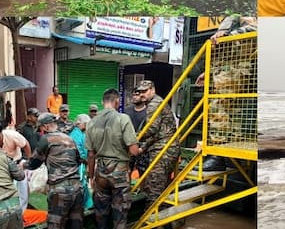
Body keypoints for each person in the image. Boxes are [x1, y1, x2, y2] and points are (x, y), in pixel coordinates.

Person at [85, 88, 140, 229]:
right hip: (119, 174)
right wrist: (142, 148)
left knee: (101, 213)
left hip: (101, 174)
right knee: (120, 214)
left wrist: (91, 177)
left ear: (102, 102)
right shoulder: (123, 119)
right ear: (117, 101)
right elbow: (133, 151)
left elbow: (90, 154)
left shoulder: (91, 122)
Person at [23, 113, 83, 228]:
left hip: (59, 191)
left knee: (55, 225)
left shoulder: (46, 139)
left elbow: (33, 163)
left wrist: (22, 165)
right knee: (76, 225)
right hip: (77, 189)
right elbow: (78, 159)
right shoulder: (69, 138)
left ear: (45, 127)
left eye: (40, 128)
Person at [135, 80, 180, 210]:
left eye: (145, 91)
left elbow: (151, 130)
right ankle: (167, 220)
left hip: (163, 151)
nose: (142, 94)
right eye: (140, 92)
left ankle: (150, 221)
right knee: (163, 187)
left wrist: (133, 137)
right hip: (168, 149)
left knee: (153, 189)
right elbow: (158, 133)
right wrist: (143, 147)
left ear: (152, 90)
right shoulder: (158, 101)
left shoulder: (153, 104)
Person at [0, 120, 31, 211]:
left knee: (22, 189)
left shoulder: (12, 135)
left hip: (18, 163)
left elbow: (26, 145)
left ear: (0, 132)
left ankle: (22, 212)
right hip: (1, 168)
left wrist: (29, 162)